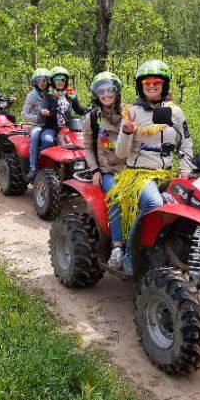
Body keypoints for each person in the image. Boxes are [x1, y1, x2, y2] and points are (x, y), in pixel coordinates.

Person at [112, 60, 194, 275]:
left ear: (164, 84)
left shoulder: (175, 112)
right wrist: (127, 132)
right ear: (140, 85)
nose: (151, 85)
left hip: (168, 174)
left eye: (156, 81)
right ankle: (130, 255)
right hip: (139, 175)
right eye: (146, 82)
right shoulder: (132, 112)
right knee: (154, 203)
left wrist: (185, 168)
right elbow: (121, 153)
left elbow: (186, 143)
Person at [83, 72, 126, 269]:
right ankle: (117, 246)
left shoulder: (129, 113)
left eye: (110, 90)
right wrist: (95, 171)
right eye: (101, 91)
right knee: (115, 195)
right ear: (96, 95)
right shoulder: (92, 118)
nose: (106, 94)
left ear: (116, 92)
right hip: (107, 170)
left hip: (131, 168)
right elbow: (88, 147)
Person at [28, 66, 88, 181]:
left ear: (66, 80)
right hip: (52, 127)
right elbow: (43, 107)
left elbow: (79, 110)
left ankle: (81, 169)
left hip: (68, 128)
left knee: (82, 143)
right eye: (57, 79)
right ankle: (42, 170)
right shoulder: (49, 94)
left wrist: (89, 110)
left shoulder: (71, 94)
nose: (60, 82)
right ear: (53, 81)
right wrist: (44, 111)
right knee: (48, 140)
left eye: (62, 79)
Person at [22, 68, 51, 180]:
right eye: (39, 80)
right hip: (38, 125)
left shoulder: (52, 93)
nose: (42, 83)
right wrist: (36, 118)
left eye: (44, 80)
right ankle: (33, 168)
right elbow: (24, 114)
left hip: (52, 124)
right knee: (34, 137)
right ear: (35, 82)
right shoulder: (32, 96)